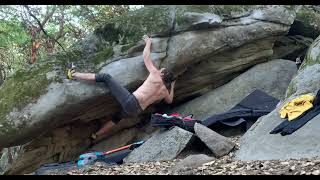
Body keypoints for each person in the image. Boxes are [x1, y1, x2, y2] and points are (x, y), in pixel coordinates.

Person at [68, 35, 177, 145]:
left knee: (106, 77)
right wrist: (172, 85)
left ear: (162, 74)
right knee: (116, 118)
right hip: (136, 111)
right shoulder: (164, 91)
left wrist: (148, 43)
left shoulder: (155, 75)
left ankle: (73, 74)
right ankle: (95, 135)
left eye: (161, 69)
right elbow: (170, 101)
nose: (159, 69)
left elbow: (146, 57)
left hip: (131, 101)